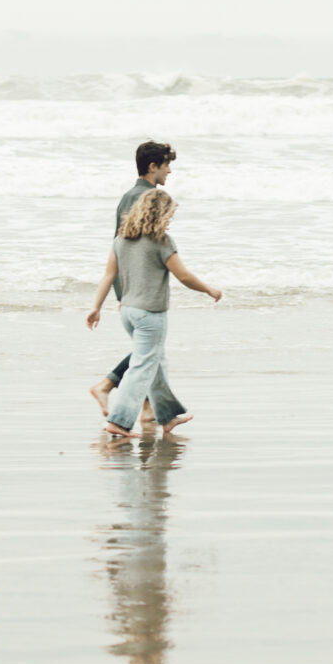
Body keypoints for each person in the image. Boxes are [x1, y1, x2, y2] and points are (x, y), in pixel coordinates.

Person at [86, 188, 222, 441]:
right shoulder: (162, 241)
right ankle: (119, 421)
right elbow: (183, 275)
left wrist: (96, 307)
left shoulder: (121, 240)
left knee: (155, 363)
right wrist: (208, 289)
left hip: (127, 311)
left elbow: (109, 275)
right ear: (159, 214)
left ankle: (168, 417)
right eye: (169, 215)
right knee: (142, 368)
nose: (170, 220)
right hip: (150, 315)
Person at [91, 142, 182, 426]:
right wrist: (125, 292)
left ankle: (152, 410)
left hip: (133, 288)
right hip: (136, 291)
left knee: (152, 351)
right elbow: (124, 248)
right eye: (166, 164)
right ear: (152, 166)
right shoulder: (144, 197)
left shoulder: (131, 195)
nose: (169, 170)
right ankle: (109, 387)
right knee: (149, 350)